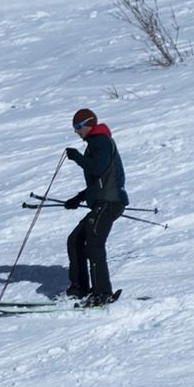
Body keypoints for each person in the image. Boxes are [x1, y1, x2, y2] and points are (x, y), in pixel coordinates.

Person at [62, 108, 129, 307]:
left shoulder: (100, 141)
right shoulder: (96, 142)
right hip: (103, 201)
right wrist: (79, 198)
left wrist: (77, 158)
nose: (76, 131)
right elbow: (100, 178)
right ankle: (80, 288)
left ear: (88, 124)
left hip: (109, 202)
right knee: (76, 240)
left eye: (78, 127)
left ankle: (102, 294)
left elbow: (97, 167)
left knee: (93, 245)